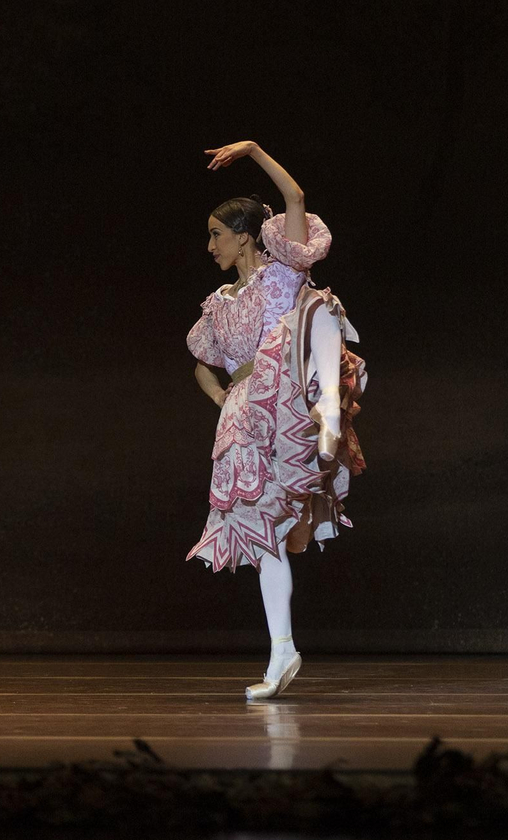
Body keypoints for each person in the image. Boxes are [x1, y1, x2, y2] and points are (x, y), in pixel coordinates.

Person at [186, 141, 366, 701]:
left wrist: (255, 151)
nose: (210, 244)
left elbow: (294, 195)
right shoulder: (218, 301)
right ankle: (281, 648)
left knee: (273, 526)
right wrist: (222, 397)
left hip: (280, 407)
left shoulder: (281, 275)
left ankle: (282, 649)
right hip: (242, 417)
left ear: (245, 235)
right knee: (261, 536)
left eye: (217, 233)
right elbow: (202, 363)